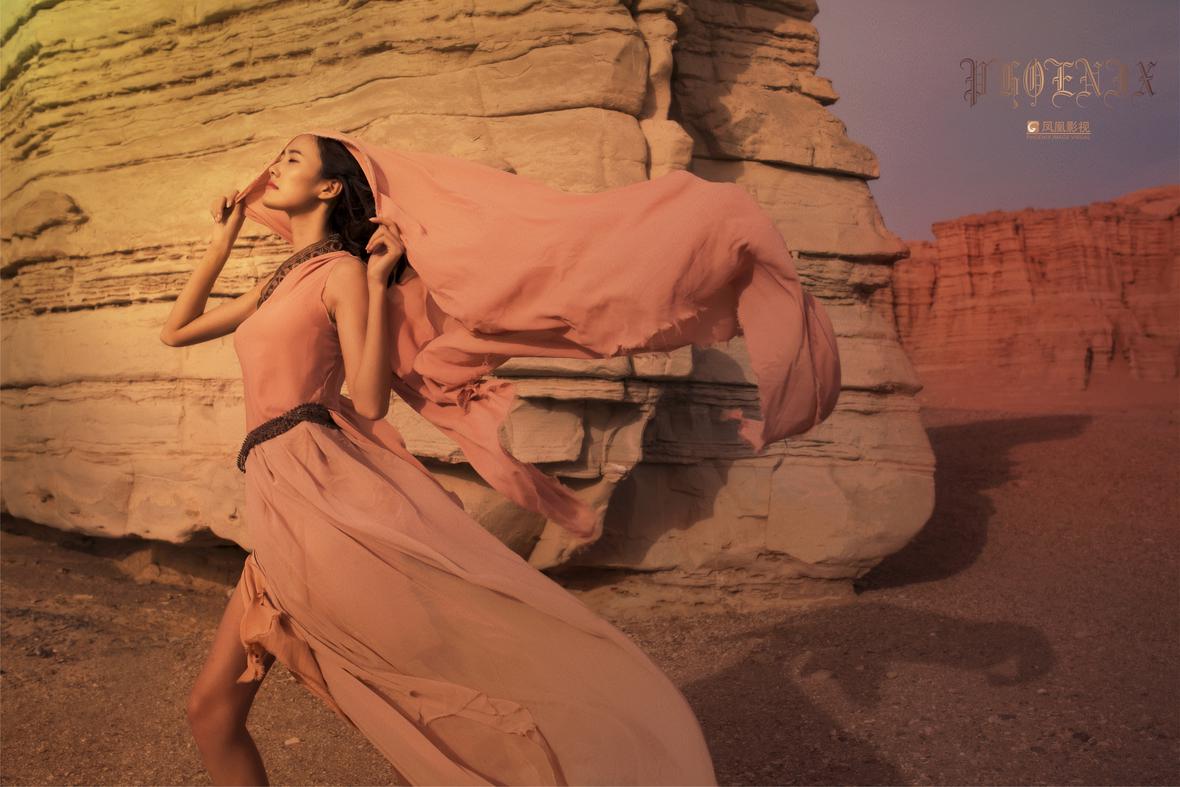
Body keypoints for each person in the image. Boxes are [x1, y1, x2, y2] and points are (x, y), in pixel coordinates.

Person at [161, 133, 726, 786]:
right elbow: (176, 331)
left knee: (407, 702)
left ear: (329, 187)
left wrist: (376, 280)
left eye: (293, 158)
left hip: (320, 493)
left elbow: (369, 400)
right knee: (211, 711)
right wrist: (224, 238)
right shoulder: (276, 282)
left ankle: (594, 750)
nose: (274, 168)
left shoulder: (343, 275)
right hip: (278, 498)